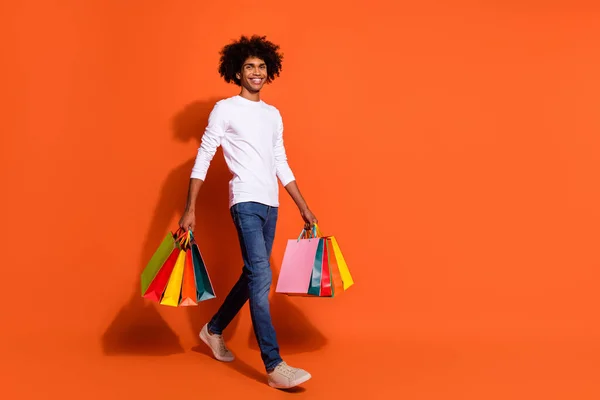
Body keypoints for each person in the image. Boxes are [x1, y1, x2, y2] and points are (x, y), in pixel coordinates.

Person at [178, 35, 317, 389]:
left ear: (269, 72)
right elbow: (204, 156)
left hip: (272, 203)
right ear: (237, 73)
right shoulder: (225, 109)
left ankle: (213, 329)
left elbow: (280, 161)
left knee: (252, 274)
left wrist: (303, 205)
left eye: (261, 67)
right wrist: (189, 209)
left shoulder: (272, 114)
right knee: (262, 279)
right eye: (249, 67)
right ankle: (274, 364)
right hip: (244, 202)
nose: (256, 72)